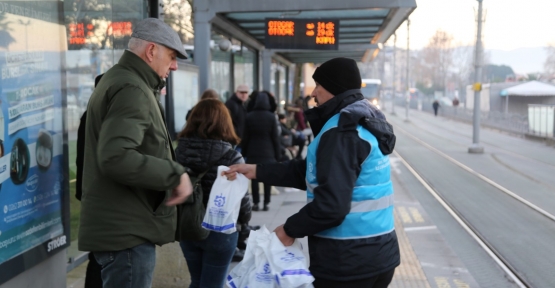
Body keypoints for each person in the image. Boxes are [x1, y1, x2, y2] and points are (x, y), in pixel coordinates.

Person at [224, 57, 400, 288]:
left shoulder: (340, 133)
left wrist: (289, 230)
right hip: (378, 253)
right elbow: (311, 172)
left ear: (335, 89)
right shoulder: (363, 122)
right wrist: (256, 170)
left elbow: (332, 206)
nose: (313, 93)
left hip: (347, 259)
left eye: (319, 86)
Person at [78, 18, 194, 288]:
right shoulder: (132, 88)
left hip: (124, 229)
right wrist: (175, 175)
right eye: (172, 56)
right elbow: (116, 156)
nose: (174, 65)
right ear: (151, 51)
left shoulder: (122, 80)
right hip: (127, 234)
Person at [175, 99, 252, 288]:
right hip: (221, 229)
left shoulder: (177, 153)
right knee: (213, 284)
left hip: (188, 225)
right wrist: (245, 223)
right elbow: (243, 199)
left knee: (197, 280)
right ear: (224, 122)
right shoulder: (232, 156)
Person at [242, 91, 281, 211]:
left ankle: (256, 202)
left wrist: (244, 152)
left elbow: (245, 137)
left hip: (253, 151)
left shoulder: (249, 116)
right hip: (268, 152)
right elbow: (275, 137)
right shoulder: (271, 117)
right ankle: (266, 202)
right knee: (267, 177)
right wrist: (277, 154)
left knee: (254, 177)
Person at [225, 84, 249, 149]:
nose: (244, 95)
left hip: (239, 141)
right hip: (234, 141)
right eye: (241, 92)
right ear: (237, 93)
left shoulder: (242, 105)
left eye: (246, 92)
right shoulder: (232, 104)